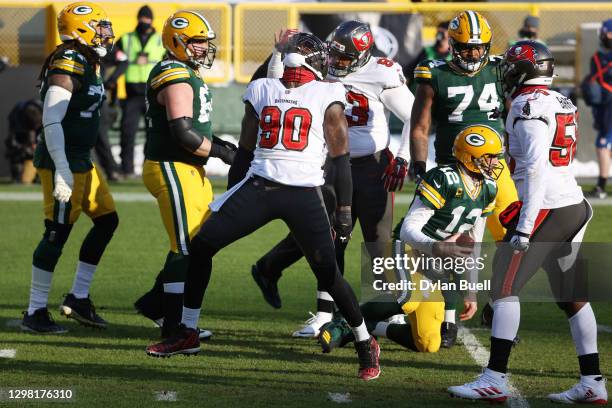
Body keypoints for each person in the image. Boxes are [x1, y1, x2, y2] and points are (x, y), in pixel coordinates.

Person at [145, 32, 381, 381]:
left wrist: (343, 209)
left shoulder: (314, 93)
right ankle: (187, 332)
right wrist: (230, 197)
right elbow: (248, 149)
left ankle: (365, 342)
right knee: (202, 245)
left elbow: (338, 155)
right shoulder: (268, 91)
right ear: (313, 64)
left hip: (302, 191)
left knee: (327, 272)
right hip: (260, 185)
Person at [448, 41, 607, 404]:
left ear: (523, 71)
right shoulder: (559, 100)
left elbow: (535, 168)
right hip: (572, 204)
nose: (505, 73)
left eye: (510, 67)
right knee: (572, 297)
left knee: (503, 286)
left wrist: (523, 226)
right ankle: (592, 381)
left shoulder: (527, 105)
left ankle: (494, 379)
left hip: (547, 207)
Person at [251, 21, 414, 338]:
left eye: (344, 58)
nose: (337, 64)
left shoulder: (381, 72)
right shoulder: (318, 63)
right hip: (329, 165)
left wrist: (404, 156)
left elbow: (414, 115)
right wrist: (279, 52)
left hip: (371, 166)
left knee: (377, 242)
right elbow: (275, 87)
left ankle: (387, 309)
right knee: (327, 239)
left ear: (362, 54)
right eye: (334, 56)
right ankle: (324, 314)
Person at [319, 125, 501, 354]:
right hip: (405, 250)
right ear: (470, 156)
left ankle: (370, 328)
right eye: (490, 157)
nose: (495, 163)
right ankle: (344, 318)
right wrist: (436, 246)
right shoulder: (444, 178)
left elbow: (473, 241)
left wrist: (471, 290)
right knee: (410, 298)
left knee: (428, 343)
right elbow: (408, 229)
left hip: (431, 265)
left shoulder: (489, 189)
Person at [410, 10, 518, 348]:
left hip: (496, 168)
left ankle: (497, 310)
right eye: (465, 48)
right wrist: (418, 164)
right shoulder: (435, 74)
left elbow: (516, 111)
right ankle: (448, 317)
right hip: (453, 170)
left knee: (517, 240)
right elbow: (420, 126)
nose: (472, 54)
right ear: (453, 45)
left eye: (477, 48)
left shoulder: (499, 68)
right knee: (454, 245)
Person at [135, 10, 235, 339]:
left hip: (188, 169)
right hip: (171, 166)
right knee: (186, 247)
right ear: (176, 42)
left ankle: (155, 303)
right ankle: (175, 326)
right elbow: (183, 133)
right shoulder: (172, 71)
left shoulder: (185, 70)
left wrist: (223, 146)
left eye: (206, 42)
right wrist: (223, 153)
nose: (204, 48)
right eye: (197, 42)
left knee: (199, 242)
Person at [21, 2, 119, 333]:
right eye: (99, 25)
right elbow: (51, 118)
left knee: (107, 220)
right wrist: (62, 167)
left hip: (81, 160)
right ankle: (35, 311)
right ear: (81, 28)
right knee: (57, 231)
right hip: (61, 160)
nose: (106, 32)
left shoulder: (87, 61)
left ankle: (78, 297)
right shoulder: (68, 61)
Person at [112, 5, 166, 178]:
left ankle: (149, 168)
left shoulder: (160, 40)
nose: (144, 21)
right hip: (132, 94)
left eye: (147, 19)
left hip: (153, 93)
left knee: (153, 133)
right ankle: (126, 169)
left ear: (151, 20)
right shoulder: (126, 39)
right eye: (142, 18)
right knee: (127, 132)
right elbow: (113, 58)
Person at [584, 18, 612, 200]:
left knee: (602, 145)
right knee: (606, 145)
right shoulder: (596, 57)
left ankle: (601, 186)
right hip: (604, 106)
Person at [5, 99, 42, 184]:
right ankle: (17, 177)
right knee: (15, 150)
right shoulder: (16, 116)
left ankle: (39, 177)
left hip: (40, 137)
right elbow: (13, 138)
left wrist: (37, 145)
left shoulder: (46, 113)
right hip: (20, 135)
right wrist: (25, 147)